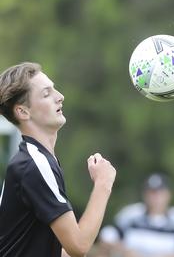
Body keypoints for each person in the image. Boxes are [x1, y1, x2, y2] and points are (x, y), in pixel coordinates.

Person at [0, 62, 117, 256]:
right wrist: (103, 183)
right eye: (46, 94)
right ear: (23, 111)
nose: (60, 97)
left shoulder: (38, 160)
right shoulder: (34, 165)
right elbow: (78, 247)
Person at [99, 172, 174, 257]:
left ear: (168, 195)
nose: (156, 198)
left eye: (160, 193)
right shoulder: (131, 214)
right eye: (152, 193)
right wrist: (124, 250)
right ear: (145, 194)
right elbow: (107, 234)